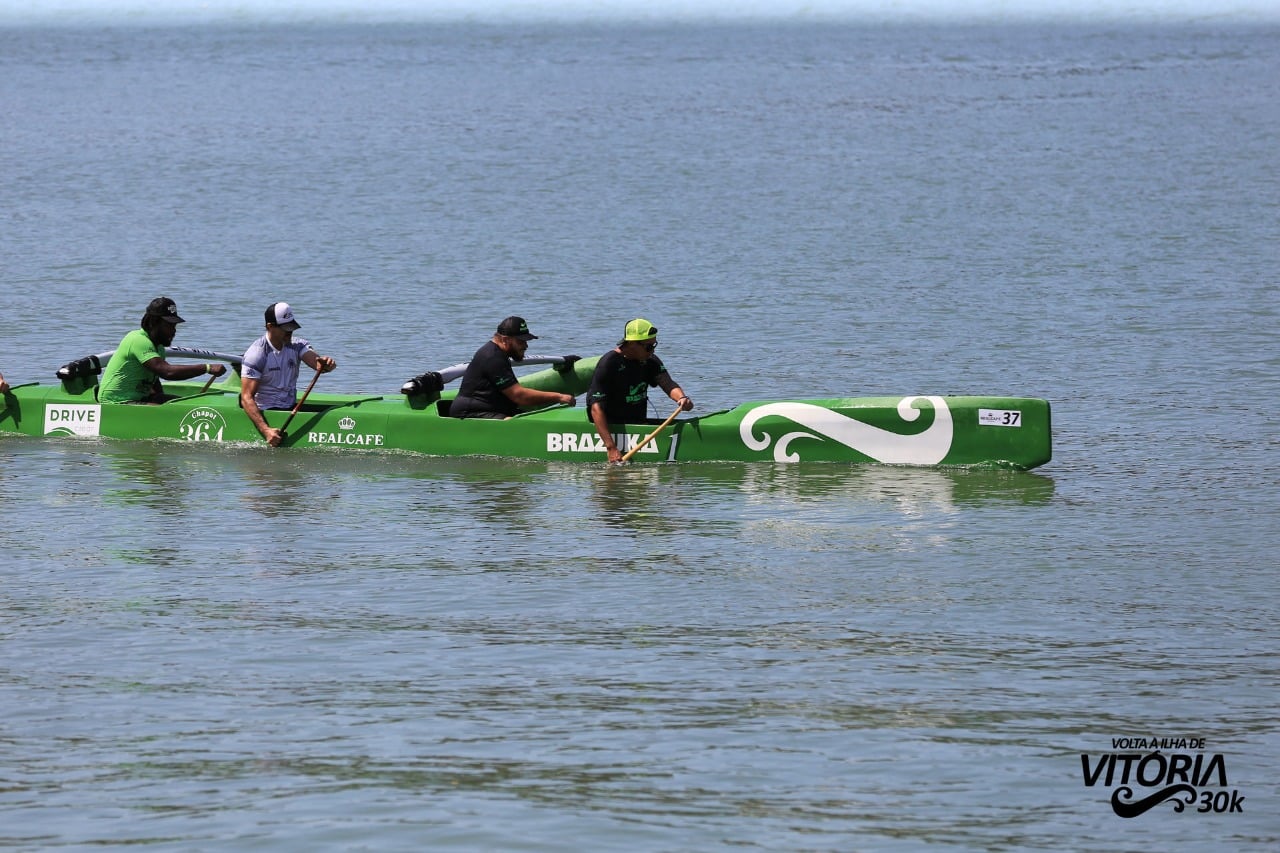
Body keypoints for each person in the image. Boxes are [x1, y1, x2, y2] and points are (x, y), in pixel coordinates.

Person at [586, 318, 693, 463]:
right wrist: (611, 447)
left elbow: (668, 384)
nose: (653, 350)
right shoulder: (609, 364)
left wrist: (681, 398)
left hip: (637, 422)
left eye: (654, 345)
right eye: (648, 346)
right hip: (613, 427)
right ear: (631, 344)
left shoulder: (650, 361)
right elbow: (596, 409)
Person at [240, 302, 337, 447]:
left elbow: (318, 364)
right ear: (270, 327)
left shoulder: (297, 345)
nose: (290, 332)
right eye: (285, 329)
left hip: (289, 407)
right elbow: (246, 397)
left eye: (291, 327)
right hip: (266, 411)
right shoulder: (257, 354)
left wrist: (327, 364)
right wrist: (266, 430)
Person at [98, 297, 227, 404]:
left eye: (175, 326)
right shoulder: (137, 340)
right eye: (169, 326)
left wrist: (164, 401)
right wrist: (207, 368)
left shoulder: (159, 347)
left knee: (179, 403)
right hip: (115, 402)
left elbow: (154, 381)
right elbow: (167, 372)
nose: (174, 331)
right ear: (153, 323)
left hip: (137, 398)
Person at [448, 316, 576, 419]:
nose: (526, 346)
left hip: (490, 409)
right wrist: (558, 397)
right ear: (505, 340)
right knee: (513, 422)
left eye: (526, 341)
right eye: (520, 341)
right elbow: (519, 396)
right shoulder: (492, 358)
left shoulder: (498, 354)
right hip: (469, 413)